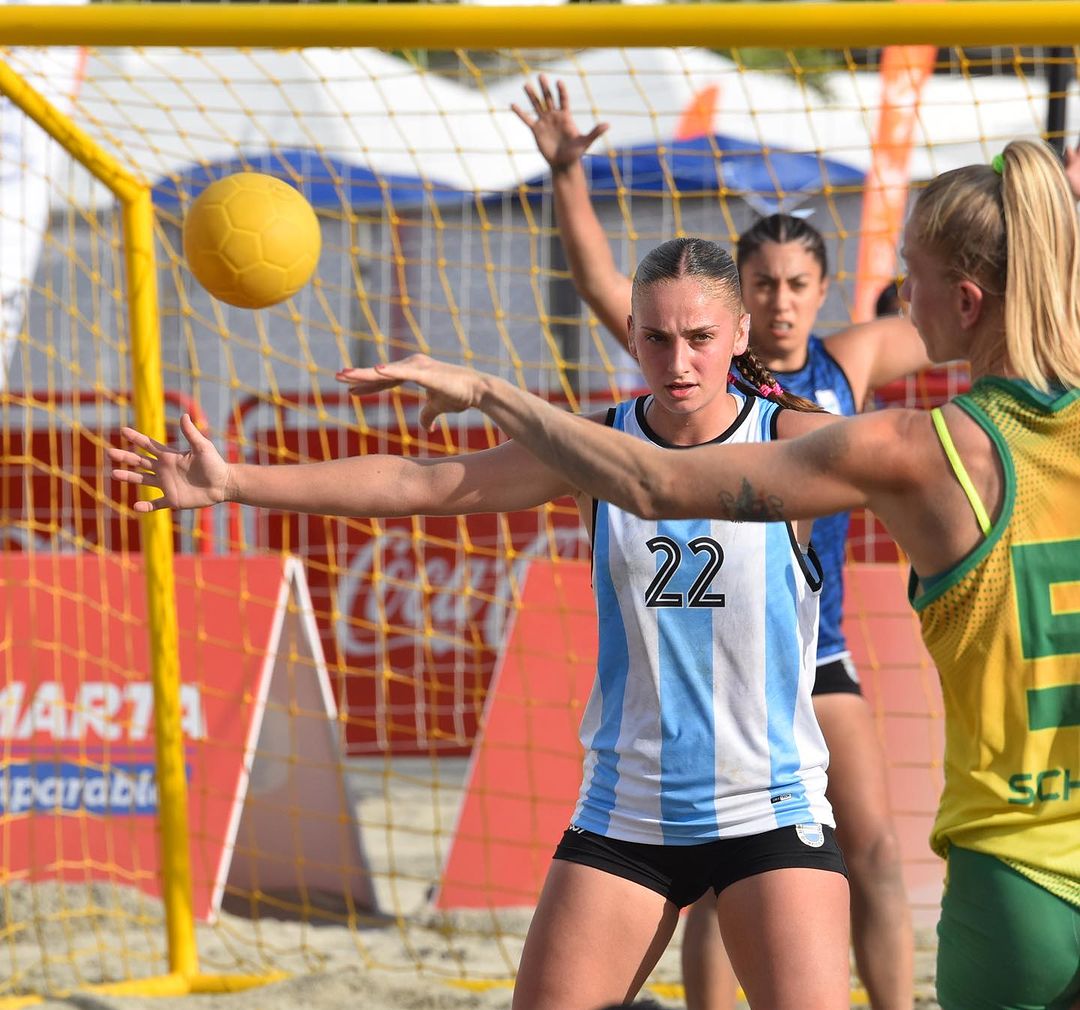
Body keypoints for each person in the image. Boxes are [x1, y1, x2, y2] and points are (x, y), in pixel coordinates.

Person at [337, 137, 1080, 1010]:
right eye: (763, 284)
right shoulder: (771, 417)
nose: (893, 299)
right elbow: (435, 477)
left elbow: (649, 484)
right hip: (647, 791)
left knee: (869, 847)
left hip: (930, 807)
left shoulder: (891, 430)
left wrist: (493, 392)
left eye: (903, 278)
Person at [110, 238, 855, 1010]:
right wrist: (234, 481)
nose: (678, 362)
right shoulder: (593, 446)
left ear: (738, 336)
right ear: (629, 333)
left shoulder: (792, 442)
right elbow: (421, 482)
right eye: (657, 337)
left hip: (769, 808)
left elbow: (920, 456)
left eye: (700, 338)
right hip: (629, 810)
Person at [512, 74, 925, 1010]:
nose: (783, 304)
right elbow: (606, 290)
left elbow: (950, 328)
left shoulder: (839, 372)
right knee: (704, 875)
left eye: (798, 286)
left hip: (810, 655)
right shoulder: (669, 371)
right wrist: (569, 181)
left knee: (867, 845)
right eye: (768, 284)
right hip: (682, 710)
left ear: (820, 291)